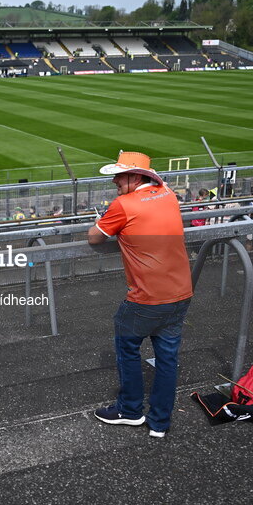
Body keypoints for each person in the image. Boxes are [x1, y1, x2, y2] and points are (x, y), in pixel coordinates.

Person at [88, 151, 193, 438]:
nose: (114, 181)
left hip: (147, 297)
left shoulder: (124, 204)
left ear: (136, 177)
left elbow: (94, 237)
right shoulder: (168, 194)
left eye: (120, 176)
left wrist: (112, 220)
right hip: (181, 292)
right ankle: (159, 422)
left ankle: (130, 410)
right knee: (167, 358)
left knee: (127, 348)